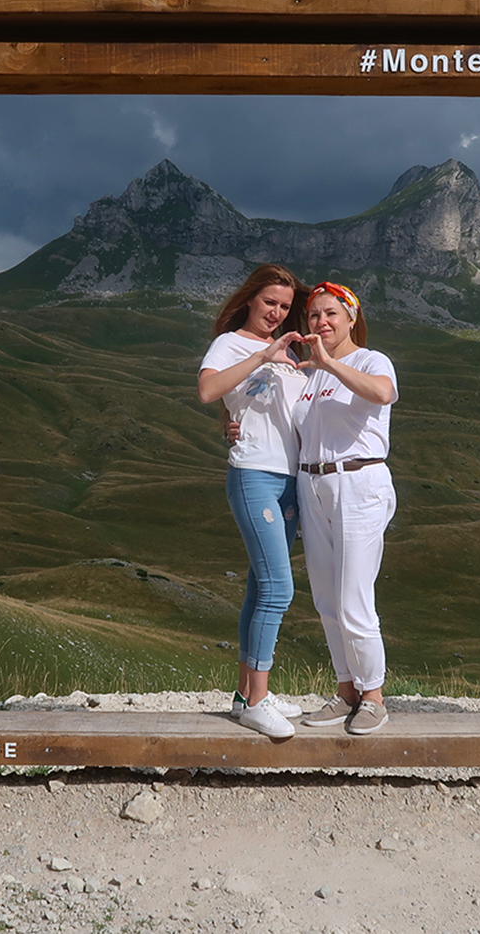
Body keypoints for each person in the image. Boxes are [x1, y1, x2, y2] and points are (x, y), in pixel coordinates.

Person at [197, 263, 311, 738]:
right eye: (269, 303)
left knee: (258, 587)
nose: (277, 313)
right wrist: (263, 357)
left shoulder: (289, 349)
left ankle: (247, 693)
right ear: (249, 299)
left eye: (285, 307)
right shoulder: (232, 344)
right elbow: (208, 390)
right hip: (254, 475)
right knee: (278, 589)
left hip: (290, 480)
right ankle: (258, 703)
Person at [292, 281, 399, 735]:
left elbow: (382, 393)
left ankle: (374, 696)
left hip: (357, 480)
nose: (322, 322)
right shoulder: (309, 376)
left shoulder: (370, 360)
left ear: (351, 318)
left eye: (331, 314)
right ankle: (346, 690)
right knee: (326, 598)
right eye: (315, 315)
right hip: (312, 482)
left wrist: (331, 363)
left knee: (354, 597)